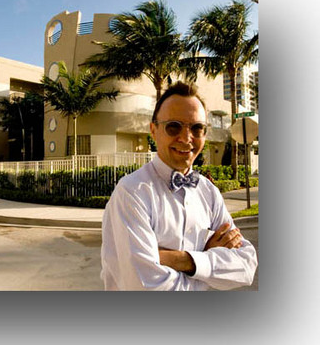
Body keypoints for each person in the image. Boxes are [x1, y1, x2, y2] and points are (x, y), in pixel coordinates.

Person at [101, 82, 258, 291]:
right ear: (153, 130)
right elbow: (145, 287)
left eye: (196, 128)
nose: (186, 138)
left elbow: (246, 266)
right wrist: (209, 262)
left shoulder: (208, 192)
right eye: (173, 126)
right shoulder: (131, 192)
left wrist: (184, 260)